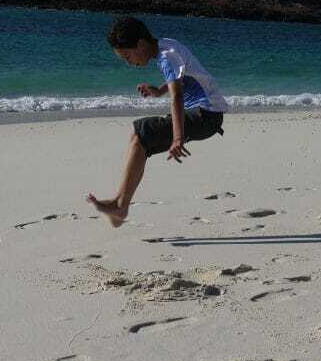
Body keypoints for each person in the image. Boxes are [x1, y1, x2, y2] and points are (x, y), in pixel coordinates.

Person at [86, 17, 228, 228]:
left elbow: (177, 96)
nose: (129, 63)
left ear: (141, 44)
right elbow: (183, 75)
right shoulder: (166, 45)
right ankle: (120, 204)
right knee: (139, 138)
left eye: (127, 56)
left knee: (141, 134)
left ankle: (120, 205)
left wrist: (178, 138)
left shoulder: (166, 57)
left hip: (205, 115)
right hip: (206, 114)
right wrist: (159, 90)